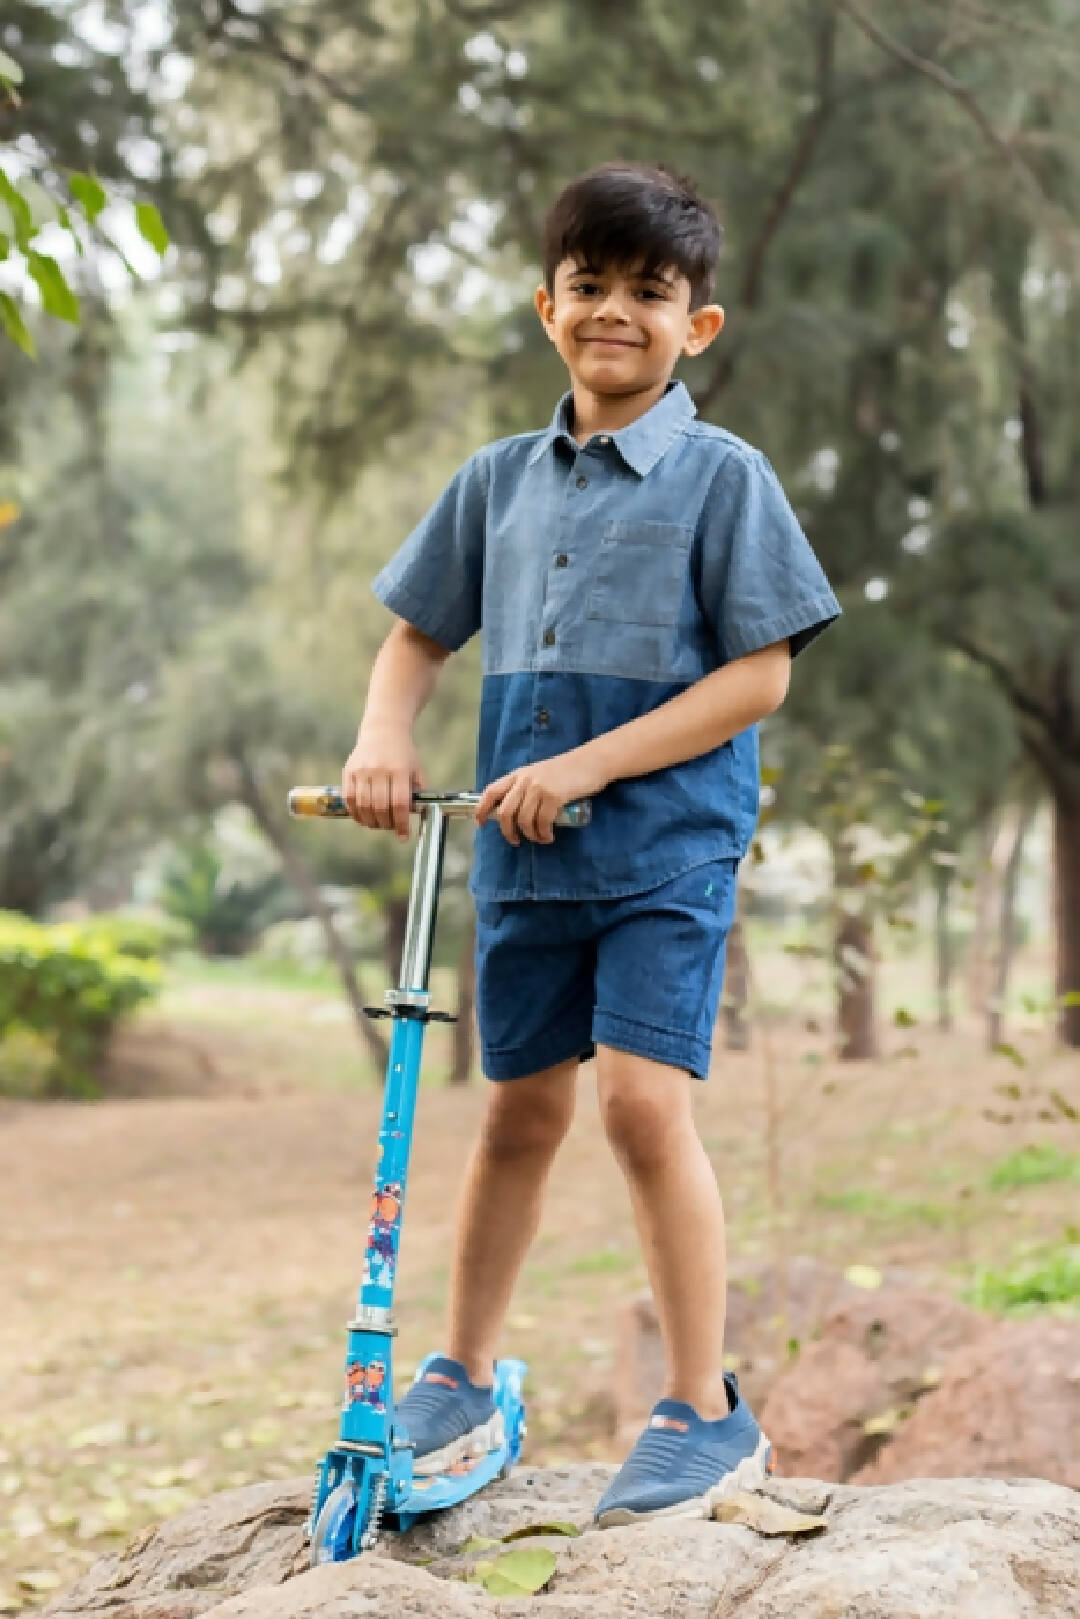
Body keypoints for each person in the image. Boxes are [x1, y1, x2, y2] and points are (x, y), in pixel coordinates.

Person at [341, 161, 841, 1526]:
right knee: (516, 1113)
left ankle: (705, 1408)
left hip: (669, 845)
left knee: (638, 1106)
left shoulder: (722, 477)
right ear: (546, 307)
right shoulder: (496, 483)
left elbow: (762, 678)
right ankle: (463, 1373)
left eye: (650, 292)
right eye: (591, 286)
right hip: (527, 856)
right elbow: (414, 636)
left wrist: (588, 763)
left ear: (700, 326)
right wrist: (385, 738)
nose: (616, 310)